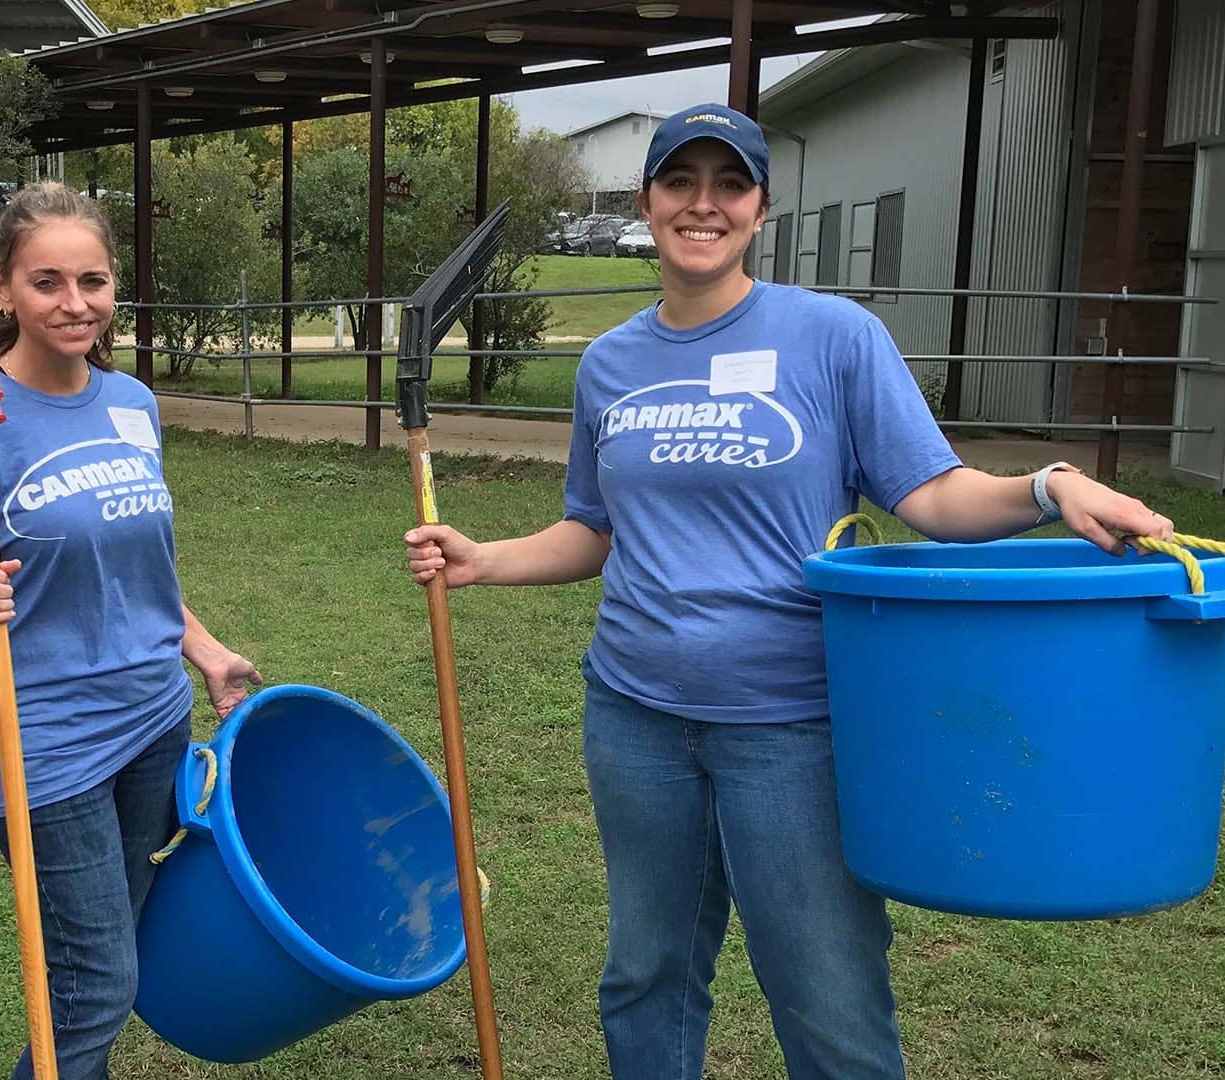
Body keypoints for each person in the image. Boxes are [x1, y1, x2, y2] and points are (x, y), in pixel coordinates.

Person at [403, 104, 1175, 1080]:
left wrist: (1048, 486)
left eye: (728, 184)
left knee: (826, 995)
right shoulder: (611, 365)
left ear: (760, 206)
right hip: (635, 719)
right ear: (646, 202)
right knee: (645, 975)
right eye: (679, 181)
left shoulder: (833, 339)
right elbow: (594, 529)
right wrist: (484, 558)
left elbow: (931, 494)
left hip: (792, 728)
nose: (702, 204)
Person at [0, 181, 262, 1080]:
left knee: (110, 956)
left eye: (91, 280)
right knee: (96, 984)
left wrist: (206, 653)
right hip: (42, 740)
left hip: (150, 715)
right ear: (3, 287)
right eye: (47, 281)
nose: (74, 303)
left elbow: (141, 576)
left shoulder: (132, 402)